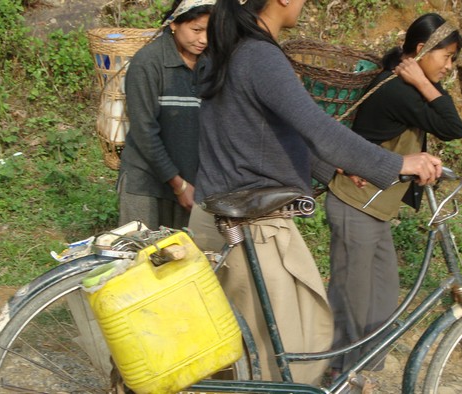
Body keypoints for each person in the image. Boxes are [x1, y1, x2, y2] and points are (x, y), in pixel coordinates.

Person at [188, 0, 443, 385]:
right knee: (295, 355)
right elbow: (318, 128)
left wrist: (336, 167)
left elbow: (262, 132)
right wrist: (398, 164)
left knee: (237, 353)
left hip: (214, 214)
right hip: (252, 227)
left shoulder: (228, 49)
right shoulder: (259, 55)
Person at [324, 13, 462, 376]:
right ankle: (338, 375)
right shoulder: (398, 90)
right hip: (354, 205)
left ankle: (361, 375)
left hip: (374, 209)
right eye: (446, 57)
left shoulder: (407, 88)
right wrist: (421, 80)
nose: (449, 67)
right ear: (420, 51)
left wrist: (423, 80)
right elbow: (453, 126)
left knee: (383, 299)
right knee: (352, 302)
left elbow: (442, 111)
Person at [117, 0, 214, 230]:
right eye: (197, 30)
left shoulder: (213, 64)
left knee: (184, 258)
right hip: (146, 183)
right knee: (139, 256)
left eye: (211, 31)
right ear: (173, 24)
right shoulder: (148, 63)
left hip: (192, 183)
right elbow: (144, 131)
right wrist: (177, 184)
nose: (204, 40)